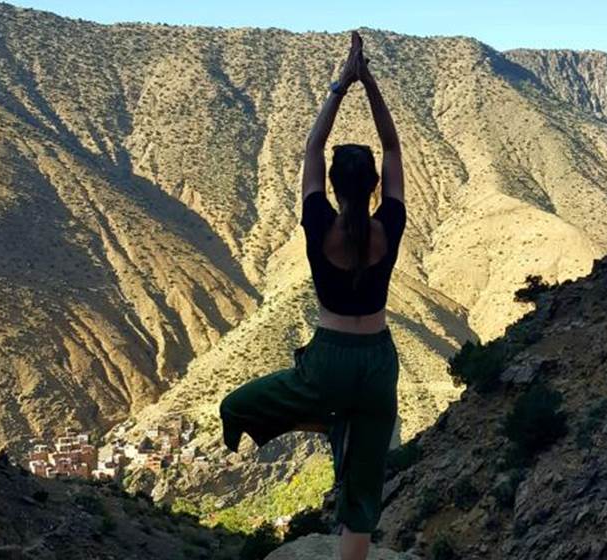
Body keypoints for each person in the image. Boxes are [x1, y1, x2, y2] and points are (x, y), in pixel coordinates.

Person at [219, 31, 406, 560]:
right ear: (372, 186)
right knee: (362, 490)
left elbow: (311, 148)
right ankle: (337, 419)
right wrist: (369, 82)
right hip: (377, 363)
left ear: (332, 184)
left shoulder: (316, 222)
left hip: (326, 365)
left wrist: (338, 86)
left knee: (238, 405)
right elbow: (392, 147)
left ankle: (327, 414)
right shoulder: (388, 226)